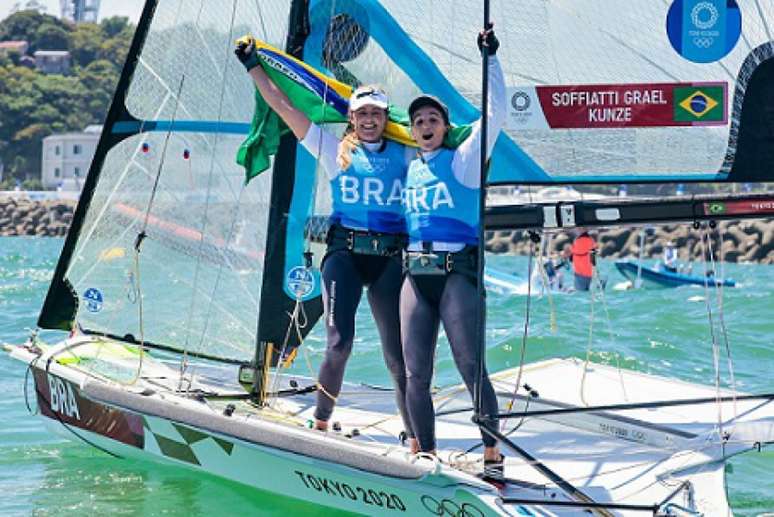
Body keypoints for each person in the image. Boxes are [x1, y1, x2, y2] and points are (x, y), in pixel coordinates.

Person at [235, 37, 417, 452]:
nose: (369, 120)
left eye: (376, 113)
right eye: (362, 113)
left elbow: (448, 139)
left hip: (390, 258)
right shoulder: (333, 148)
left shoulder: (407, 154)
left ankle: (413, 432)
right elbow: (285, 108)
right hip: (344, 256)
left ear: (386, 118)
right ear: (351, 117)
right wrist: (253, 67)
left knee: (397, 355)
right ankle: (320, 424)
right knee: (340, 343)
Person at [399, 25, 504, 478]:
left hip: (456, 274)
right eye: (419, 121)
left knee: (468, 365)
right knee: (414, 375)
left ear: (445, 127)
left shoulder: (463, 162)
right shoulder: (408, 168)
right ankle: (426, 455)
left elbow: (495, 114)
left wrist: (491, 59)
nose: (426, 126)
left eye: (433, 120)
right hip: (414, 277)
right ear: (412, 129)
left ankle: (493, 453)